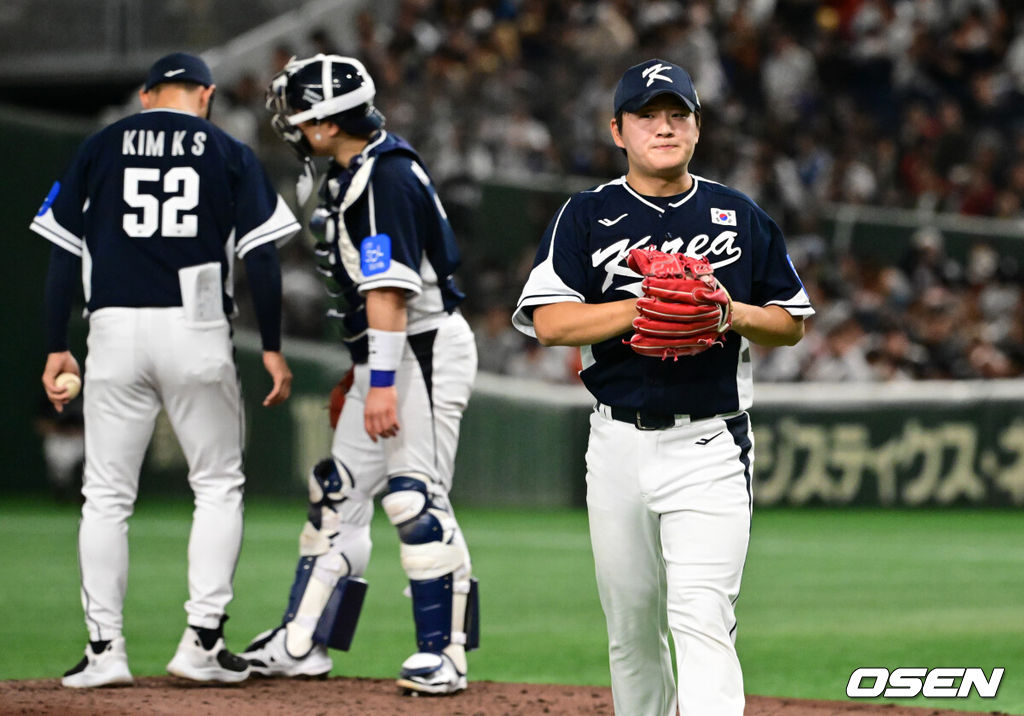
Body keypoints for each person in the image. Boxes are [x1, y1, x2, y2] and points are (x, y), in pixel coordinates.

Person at [512, 59, 814, 716]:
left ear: (697, 128)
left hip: (709, 444)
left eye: (677, 114)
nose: (664, 126)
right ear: (618, 130)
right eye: (647, 115)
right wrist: (644, 305)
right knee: (630, 630)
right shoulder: (586, 215)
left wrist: (727, 310)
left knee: (700, 615)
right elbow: (550, 322)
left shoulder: (738, 214)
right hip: (616, 442)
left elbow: (789, 323)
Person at [33, 52, 298, 688]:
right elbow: (262, 257)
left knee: (105, 497)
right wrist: (272, 345)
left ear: (147, 96)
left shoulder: (99, 145)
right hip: (196, 328)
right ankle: (201, 641)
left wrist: (54, 346)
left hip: (115, 328)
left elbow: (63, 253)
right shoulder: (229, 149)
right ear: (205, 96)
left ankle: (105, 652)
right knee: (217, 485)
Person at [241, 54, 479, 695]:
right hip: (390, 350)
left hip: (421, 349)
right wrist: (363, 369)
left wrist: (380, 384)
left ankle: (447, 655)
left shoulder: (381, 179)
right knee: (336, 492)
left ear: (322, 125)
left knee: (414, 498)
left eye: (295, 114)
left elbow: (389, 295)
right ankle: (303, 643)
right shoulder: (358, 170)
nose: (288, 124)